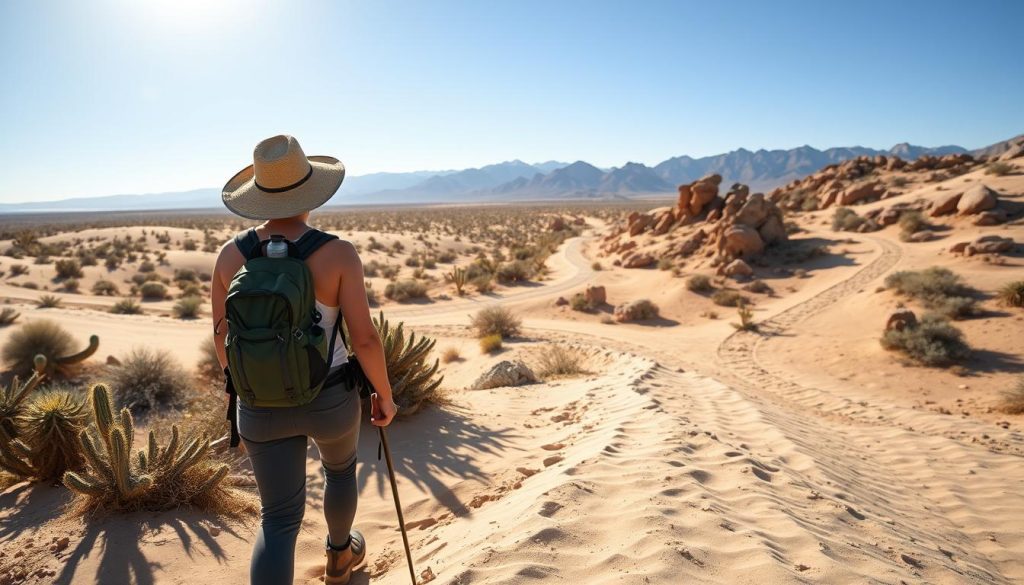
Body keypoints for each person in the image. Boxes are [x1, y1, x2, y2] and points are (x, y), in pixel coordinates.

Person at [211, 134, 398, 585]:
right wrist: (385, 397)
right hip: (329, 398)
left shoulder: (230, 256)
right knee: (339, 472)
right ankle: (339, 555)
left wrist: (251, 387)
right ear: (312, 191)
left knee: (277, 519)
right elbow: (366, 340)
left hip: (259, 407)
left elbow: (221, 338)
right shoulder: (337, 253)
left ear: (258, 194)